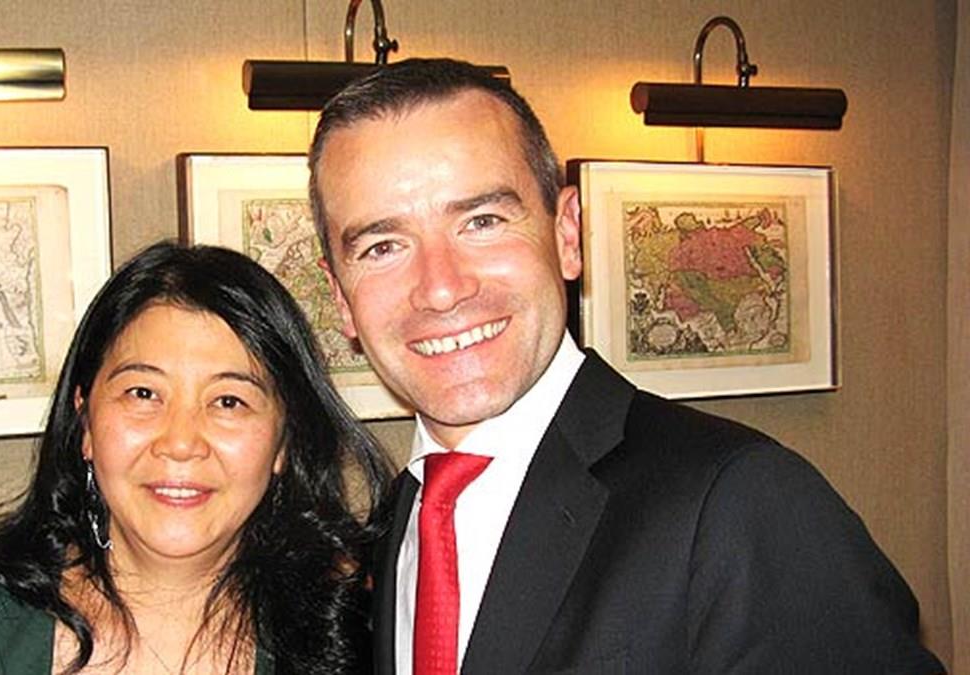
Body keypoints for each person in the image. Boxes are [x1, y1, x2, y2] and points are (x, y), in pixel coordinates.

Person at [309, 58, 946, 674]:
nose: (442, 288)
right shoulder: (395, 523)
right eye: (383, 247)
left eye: (482, 221)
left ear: (567, 235)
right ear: (340, 299)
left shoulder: (741, 503)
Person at [0, 242, 393, 674]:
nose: (181, 442)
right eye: (143, 393)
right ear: (86, 422)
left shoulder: (360, 635)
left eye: (229, 402)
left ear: (283, 443)